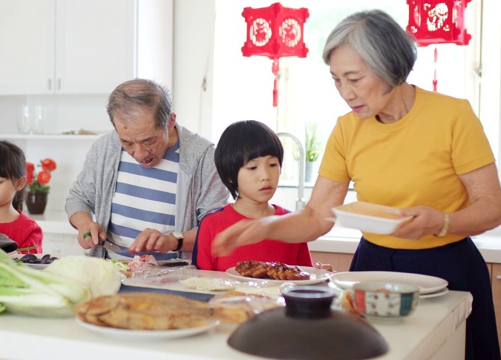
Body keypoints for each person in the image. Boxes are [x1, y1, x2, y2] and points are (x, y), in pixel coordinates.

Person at [212, 10, 501, 360]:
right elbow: (318, 216)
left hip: (446, 266)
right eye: (336, 80)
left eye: (354, 78)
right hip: (372, 266)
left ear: (391, 67)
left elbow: (491, 207)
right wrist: (262, 227)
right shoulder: (347, 129)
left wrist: (441, 222)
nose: (346, 93)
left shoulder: (453, 116)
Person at [65, 78, 230, 260]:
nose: (139, 154)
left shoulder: (203, 157)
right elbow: (78, 198)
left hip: (175, 279)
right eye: (127, 142)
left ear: (170, 122)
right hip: (111, 273)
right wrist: (85, 225)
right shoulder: (105, 148)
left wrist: (173, 241)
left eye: (148, 141)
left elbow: (216, 228)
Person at [192, 120, 312, 271]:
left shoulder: (292, 224)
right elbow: (201, 285)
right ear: (230, 176)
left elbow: (304, 281)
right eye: (253, 167)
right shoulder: (211, 224)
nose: (265, 176)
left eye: (273, 165)